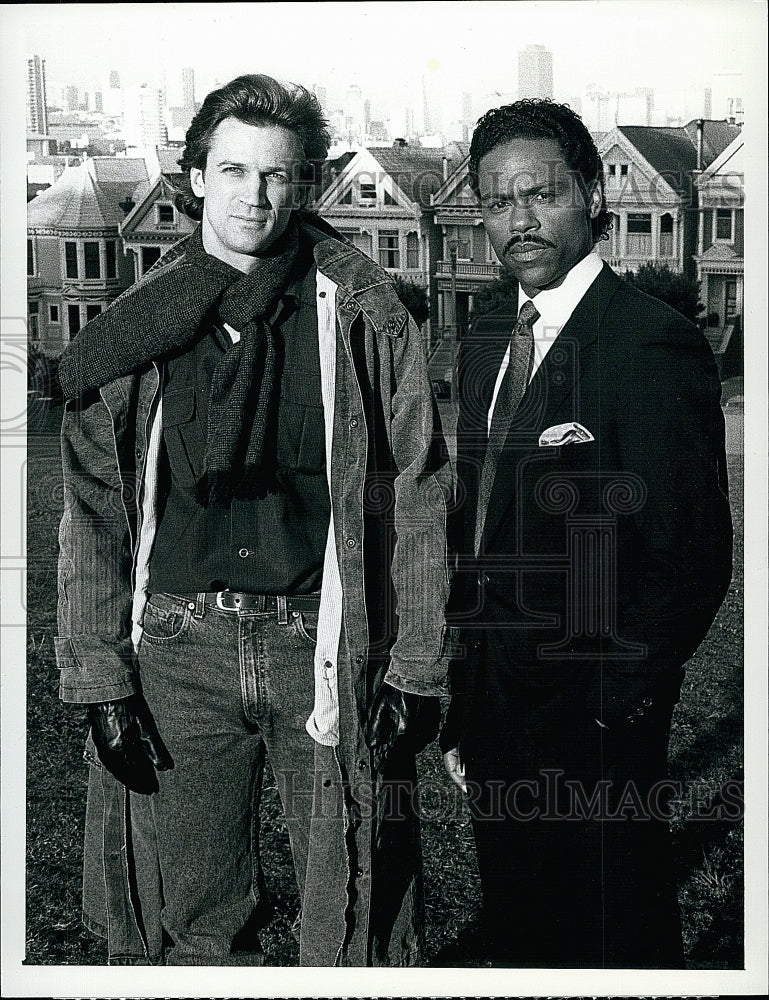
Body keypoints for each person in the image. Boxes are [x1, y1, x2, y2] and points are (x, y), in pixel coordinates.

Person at [55, 74, 451, 967]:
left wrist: (418, 666)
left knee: (348, 911)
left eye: (275, 175)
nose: (254, 197)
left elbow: (419, 492)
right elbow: (93, 513)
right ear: (195, 176)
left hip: (320, 643)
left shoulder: (362, 312)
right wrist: (98, 677)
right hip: (176, 653)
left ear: (303, 183)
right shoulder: (136, 328)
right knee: (187, 920)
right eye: (231, 170)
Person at [440, 99, 732, 968]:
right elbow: (479, 523)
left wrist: (615, 703)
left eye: (540, 193)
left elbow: (690, 561)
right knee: (522, 933)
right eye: (496, 201)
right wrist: (468, 695)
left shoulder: (649, 343)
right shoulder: (488, 334)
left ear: (592, 196)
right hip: (494, 707)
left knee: (614, 932)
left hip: (593, 723)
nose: (518, 219)